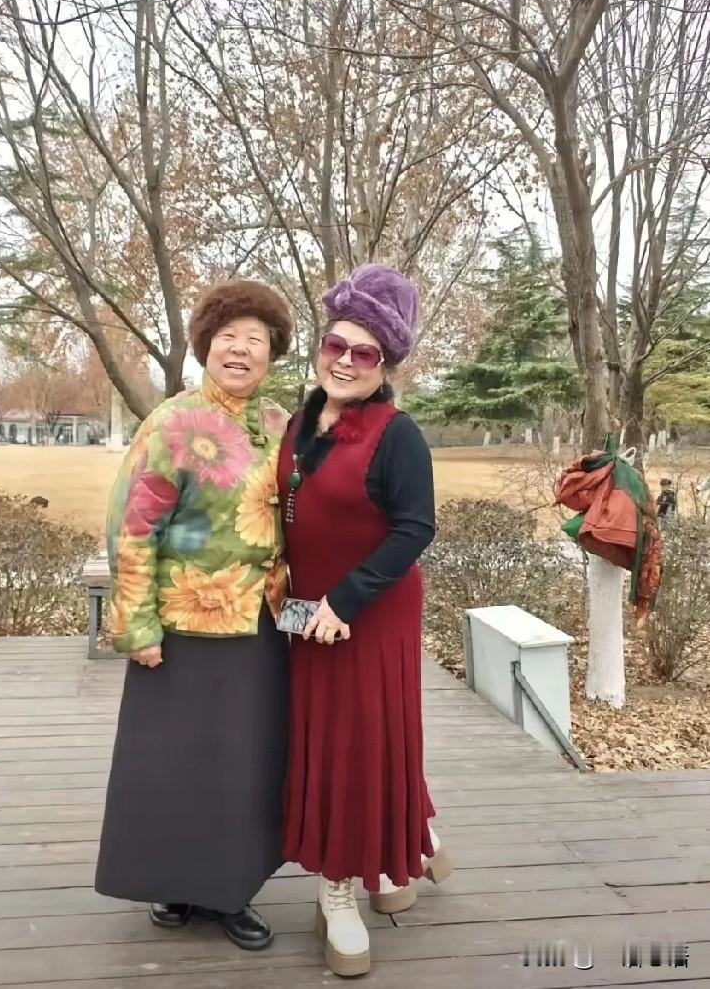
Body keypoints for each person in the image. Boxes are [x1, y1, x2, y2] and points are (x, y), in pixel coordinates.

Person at [95, 280, 293, 951]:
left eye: (255, 339)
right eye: (228, 336)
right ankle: (172, 882)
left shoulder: (280, 425)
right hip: (181, 625)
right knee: (172, 763)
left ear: (272, 353)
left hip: (258, 625)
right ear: (206, 344)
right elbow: (133, 526)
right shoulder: (173, 422)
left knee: (241, 763)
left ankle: (229, 890)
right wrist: (137, 624)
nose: (240, 349)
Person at [277, 263, 450, 978]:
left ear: (385, 364)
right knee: (328, 741)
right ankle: (406, 842)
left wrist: (344, 601)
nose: (344, 361)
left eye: (364, 352)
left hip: (367, 613)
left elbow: (415, 528)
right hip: (305, 615)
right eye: (335, 345)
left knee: (360, 741)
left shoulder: (397, 434)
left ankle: (340, 885)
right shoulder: (300, 421)